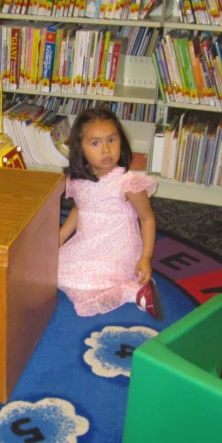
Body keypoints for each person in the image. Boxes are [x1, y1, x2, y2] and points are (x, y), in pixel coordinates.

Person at [58, 107, 162, 320]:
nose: (105, 149)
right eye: (95, 143)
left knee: (81, 283)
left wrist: (146, 257)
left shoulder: (127, 182)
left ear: (121, 141)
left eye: (111, 140)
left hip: (119, 250)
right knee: (52, 270)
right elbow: (81, 208)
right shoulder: (79, 180)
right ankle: (127, 289)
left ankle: (134, 291)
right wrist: (60, 236)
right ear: (80, 148)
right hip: (90, 243)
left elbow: (147, 218)